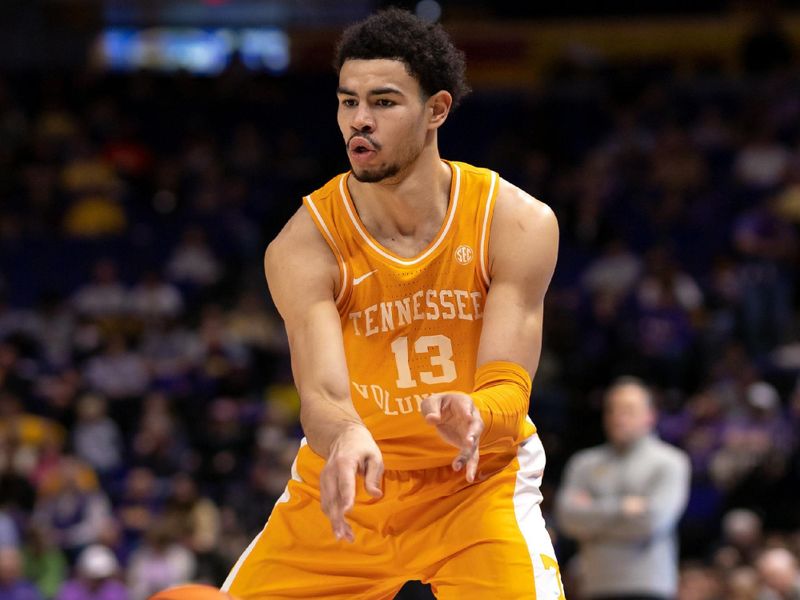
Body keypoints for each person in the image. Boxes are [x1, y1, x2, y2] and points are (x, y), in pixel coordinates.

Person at [222, 7, 564, 599]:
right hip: (354, 484)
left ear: (437, 110)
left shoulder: (514, 221)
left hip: (475, 486)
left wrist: (480, 412)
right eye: (347, 101)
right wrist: (346, 434)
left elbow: (511, 383)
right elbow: (323, 395)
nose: (360, 120)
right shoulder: (305, 245)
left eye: (383, 102)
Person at [555, 377, 690, 600]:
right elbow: (568, 518)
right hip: (595, 585)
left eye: (628, 410)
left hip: (649, 586)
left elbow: (653, 521)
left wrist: (593, 514)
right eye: (612, 410)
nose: (618, 418)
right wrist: (623, 508)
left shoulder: (671, 462)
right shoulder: (583, 463)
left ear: (650, 415)